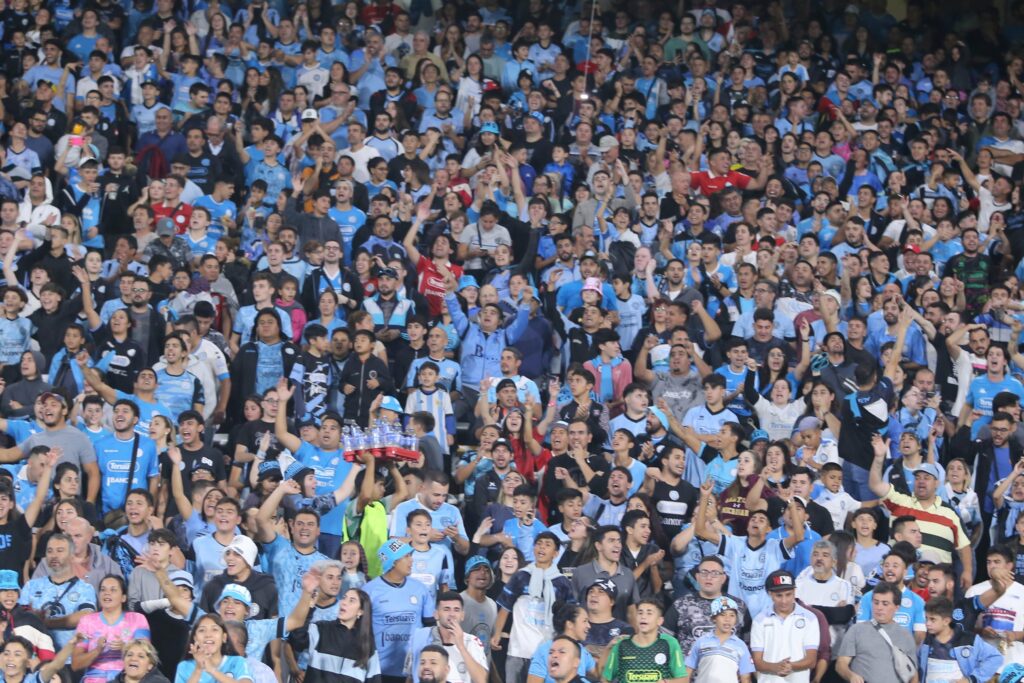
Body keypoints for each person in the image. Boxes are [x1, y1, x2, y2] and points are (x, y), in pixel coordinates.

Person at [363, 539, 433, 683]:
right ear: (393, 562)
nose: (411, 560)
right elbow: (361, 632)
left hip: (412, 672)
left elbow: (430, 630)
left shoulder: (420, 589)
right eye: (406, 556)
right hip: (378, 671)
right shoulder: (369, 591)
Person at [836, 581, 919, 683]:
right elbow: (841, 664)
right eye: (876, 602)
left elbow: (913, 674)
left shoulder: (906, 636)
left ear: (896, 608)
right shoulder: (856, 630)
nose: (879, 607)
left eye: (885, 604)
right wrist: (851, 676)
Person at [750, 570, 819, 682]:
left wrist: (790, 666)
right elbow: (757, 662)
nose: (784, 601)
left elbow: (811, 660)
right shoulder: (759, 621)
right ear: (770, 594)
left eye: (788, 594)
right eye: (779, 595)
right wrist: (776, 667)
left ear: (794, 592)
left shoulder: (810, 619)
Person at [406, 591, 488, 683]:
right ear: (436, 614)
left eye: (456, 610)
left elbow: (482, 680)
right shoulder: (420, 637)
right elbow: (411, 676)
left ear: (462, 615)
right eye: (446, 609)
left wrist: (461, 646)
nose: (452, 614)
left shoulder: (472, 642)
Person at [601, 598, 687, 683]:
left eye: (649, 613)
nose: (643, 616)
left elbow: (683, 680)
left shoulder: (669, 643)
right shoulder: (622, 644)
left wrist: (665, 682)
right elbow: (605, 679)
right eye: (640, 613)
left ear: (659, 621)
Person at [685, 596, 755, 683]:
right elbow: (687, 673)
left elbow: (746, 678)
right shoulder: (701, 642)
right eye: (723, 615)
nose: (727, 619)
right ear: (714, 618)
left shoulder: (741, 645)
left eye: (732, 615)